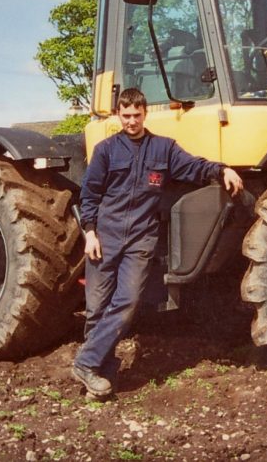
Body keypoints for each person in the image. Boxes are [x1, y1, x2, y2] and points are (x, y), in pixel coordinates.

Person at [72, 87, 244, 398]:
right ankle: (100, 379)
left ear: (145, 113)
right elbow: (90, 194)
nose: (131, 122)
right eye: (125, 116)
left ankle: (85, 362)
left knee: (127, 303)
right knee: (96, 308)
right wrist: (90, 232)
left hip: (140, 239)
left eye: (136, 116)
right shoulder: (106, 150)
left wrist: (222, 170)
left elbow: (194, 166)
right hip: (105, 237)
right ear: (118, 115)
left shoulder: (163, 149)